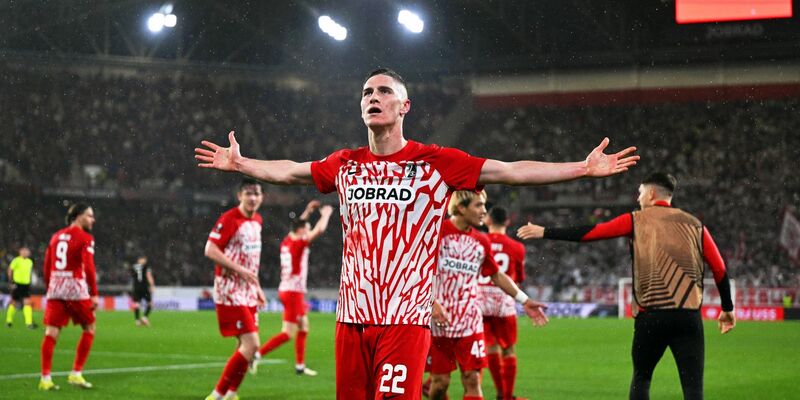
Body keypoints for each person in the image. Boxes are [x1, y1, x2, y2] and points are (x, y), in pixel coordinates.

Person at [195, 68, 639, 399]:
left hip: (404, 320)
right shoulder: (344, 163)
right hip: (351, 319)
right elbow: (290, 172)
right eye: (367, 92)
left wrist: (581, 168)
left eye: (384, 91)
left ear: (404, 107)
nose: (373, 97)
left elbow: (510, 170)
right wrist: (242, 163)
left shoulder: (435, 162)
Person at [517, 172, 736, 400]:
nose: (638, 199)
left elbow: (592, 233)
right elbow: (719, 268)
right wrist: (727, 308)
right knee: (693, 389)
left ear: (651, 194)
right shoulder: (696, 225)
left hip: (651, 317)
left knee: (642, 378)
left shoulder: (635, 220)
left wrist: (545, 232)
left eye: (640, 193)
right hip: (688, 317)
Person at [428, 191, 547, 400]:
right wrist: (432, 303)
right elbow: (416, 271)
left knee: (472, 379)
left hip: (469, 320)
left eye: (483, 206)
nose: (484, 211)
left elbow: (496, 275)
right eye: (478, 206)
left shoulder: (481, 241)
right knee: (439, 383)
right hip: (439, 320)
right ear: (461, 208)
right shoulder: (437, 233)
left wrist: (525, 300)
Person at [204, 178, 267, 400]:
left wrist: (257, 287)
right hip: (229, 288)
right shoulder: (230, 219)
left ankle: (231, 393)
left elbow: (252, 263)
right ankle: (217, 395)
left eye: (256, 194)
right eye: (248, 193)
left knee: (244, 345)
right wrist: (240, 271)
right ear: (239, 195)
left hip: (248, 289)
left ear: (262, 197)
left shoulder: (257, 220)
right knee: (252, 345)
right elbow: (210, 250)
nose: (252, 198)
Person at [255, 200, 334, 376]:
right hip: (293, 292)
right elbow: (319, 230)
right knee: (288, 333)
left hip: (287, 289)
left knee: (304, 326)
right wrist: (326, 214)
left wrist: (307, 211)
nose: (308, 229)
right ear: (301, 231)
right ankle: (257, 354)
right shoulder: (298, 244)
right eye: (306, 227)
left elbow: (297, 226)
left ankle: (299, 366)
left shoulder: (287, 241)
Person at [39, 204, 99, 391]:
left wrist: (51, 285)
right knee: (89, 328)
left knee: (51, 333)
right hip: (74, 288)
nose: (93, 220)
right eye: (89, 216)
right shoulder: (85, 238)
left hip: (56, 288)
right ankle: (76, 373)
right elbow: (88, 267)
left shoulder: (56, 236)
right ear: (79, 216)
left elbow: (47, 266)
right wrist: (94, 293)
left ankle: (45, 378)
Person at [478, 207, 527, 400]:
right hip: (503, 301)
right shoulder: (517, 247)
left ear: (488, 220)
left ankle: (497, 392)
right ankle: (506, 395)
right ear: (507, 222)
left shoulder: (479, 241)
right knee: (508, 348)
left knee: (490, 347)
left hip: (479, 299)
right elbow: (518, 279)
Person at [6, 246, 37, 329]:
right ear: (20, 252)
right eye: (24, 251)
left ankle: (29, 323)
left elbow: (29, 273)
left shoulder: (30, 262)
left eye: (27, 251)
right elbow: (10, 270)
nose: (26, 253)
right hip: (17, 284)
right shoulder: (16, 260)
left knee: (27, 302)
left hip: (25, 285)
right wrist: (11, 282)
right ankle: (9, 321)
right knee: (14, 302)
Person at [130, 256, 155, 326]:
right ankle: (144, 317)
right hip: (144, 287)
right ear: (141, 260)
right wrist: (152, 285)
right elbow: (148, 276)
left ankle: (137, 320)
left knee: (137, 304)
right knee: (150, 304)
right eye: (144, 259)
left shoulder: (133, 266)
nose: (145, 261)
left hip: (136, 288)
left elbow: (133, 276)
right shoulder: (146, 266)